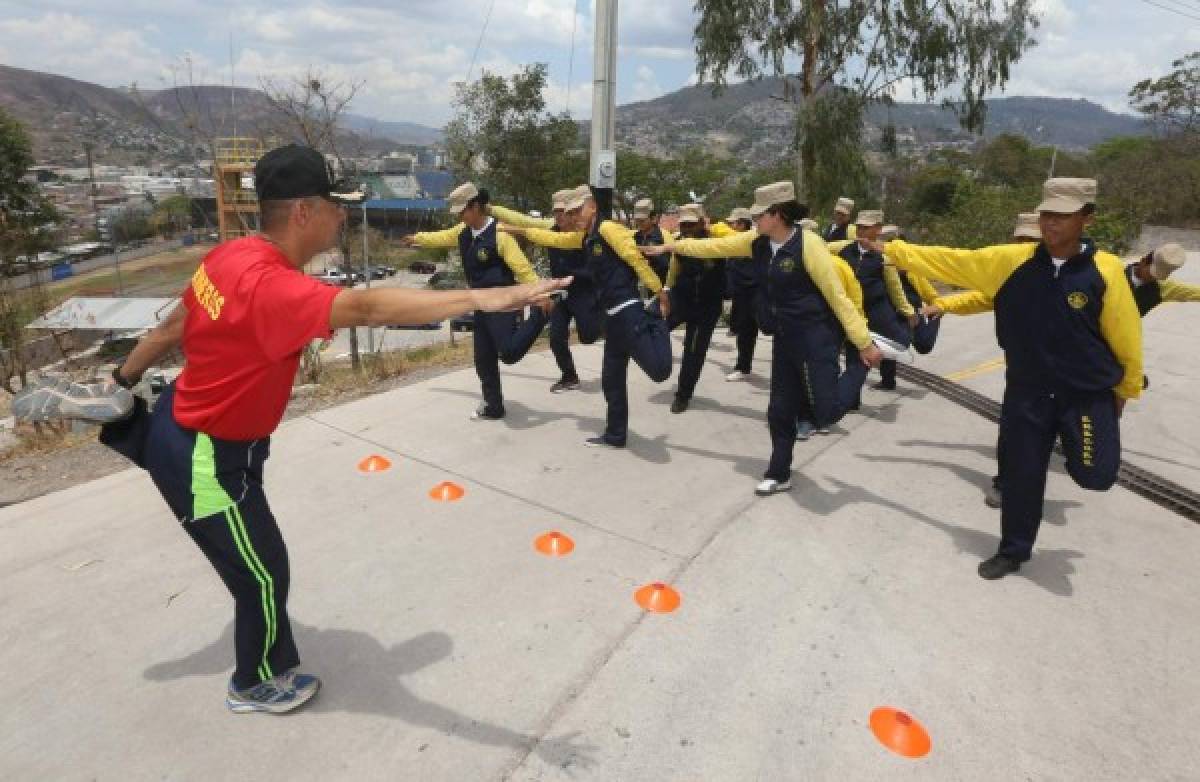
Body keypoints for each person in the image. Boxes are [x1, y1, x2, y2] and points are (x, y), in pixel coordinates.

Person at [13, 145, 567, 712]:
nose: (343, 216)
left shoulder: (230, 257)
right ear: (304, 211)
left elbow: (178, 321)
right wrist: (484, 295)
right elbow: (371, 309)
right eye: (336, 206)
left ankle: (122, 413)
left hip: (185, 421)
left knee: (257, 559)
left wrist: (122, 376)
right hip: (209, 460)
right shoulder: (274, 289)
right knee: (261, 573)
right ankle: (252, 683)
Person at [875, 178, 1143, 580]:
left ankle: (1074, 446)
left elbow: (1125, 334)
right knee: (1021, 476)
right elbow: (955, 261)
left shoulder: (1104, 270)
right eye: (1047, 215)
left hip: (1085, 393)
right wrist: (896, 250)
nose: (1052, 225)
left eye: (1063, 217)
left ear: (1087, 219)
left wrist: (1125, 389)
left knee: (1096, 475)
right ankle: (1014, 550)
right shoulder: (1012, 262)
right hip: (1027, 393)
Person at [644, 181, 891, 496]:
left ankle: (859, 366)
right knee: (779, 410)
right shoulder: (757, 242)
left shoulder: (809, 245)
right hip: (785, 339)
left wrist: (863, 343)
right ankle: (779, 472)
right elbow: (714, 247)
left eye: (760, 214)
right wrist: (670, 247)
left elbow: (838, 296)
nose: (755, 220)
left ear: (778, 214)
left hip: (816, 336)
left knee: (826, 412)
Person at [501, 185, 673, 448]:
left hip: (629, 311)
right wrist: (516, 231)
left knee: (659, 372)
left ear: (592, 205)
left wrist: (660, 292)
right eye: (570, 212)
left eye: (577, 210)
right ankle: (615, 435)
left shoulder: (608, 229)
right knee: (611, 381)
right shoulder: (586, 237)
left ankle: (657, 323)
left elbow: (635, 260)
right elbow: (554, 239)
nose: (574, 216)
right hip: (612, 319)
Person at [401, 183, 550, 420]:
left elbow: (523, 270)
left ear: (477, 206)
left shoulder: (501, 236)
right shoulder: (463, 232)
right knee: (483, 359)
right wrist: (418, 238)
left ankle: (542, 317)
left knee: (509, 353)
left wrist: (540, 296)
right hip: (479, 304)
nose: (460, 216)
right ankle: (493, 406)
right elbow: (442, 237)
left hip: (502, 302)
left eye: (463, 211)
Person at [488, 191, 605, 393]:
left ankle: (607, 323)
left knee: (588, 336)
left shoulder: (582, 235)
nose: (558, 216)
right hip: (560, 294)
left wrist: (572, 276)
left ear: (571, 213)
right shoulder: (550, 229)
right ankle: (569, 376)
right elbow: (522, 220)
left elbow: (594, 269)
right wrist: (491, 209)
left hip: (583, 292)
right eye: (555, 212)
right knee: (556, 338)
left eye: (562, 212)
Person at [832, 210, 916, 397]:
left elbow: (895, 288)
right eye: (859, 227)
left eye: (866, 227)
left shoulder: (884, 257)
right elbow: (818, 248)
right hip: (851, 310)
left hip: (876, 308)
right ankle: (852, 398)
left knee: (889, 343)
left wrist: (908, 311)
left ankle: (888, 379)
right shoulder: (843, 248)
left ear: (877, 230)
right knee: (853, 352)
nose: (860, 231)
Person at [661, 204, 727, 412]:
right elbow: (674, 269)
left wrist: (715, 229)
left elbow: (740, 239)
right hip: (682, 298)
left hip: (706, 307)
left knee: (693, 351)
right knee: (653, 327)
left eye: (691, 224)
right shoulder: (679, 243)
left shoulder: (718, 243)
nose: (686, 229)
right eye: (683, 225)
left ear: (701, 222)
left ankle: (683, 394)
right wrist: (666, 292)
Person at [722, 207, 760, 382]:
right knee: (745, 331)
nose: (732, 225)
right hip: (741, 293)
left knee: (751, 330)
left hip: (754, 293)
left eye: (734, 223)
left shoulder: (753, 241)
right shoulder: (735, 239)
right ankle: (743, 366)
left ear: (743, 223)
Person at [632, 199, 670, 286]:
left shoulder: (664, 235)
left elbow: (668, 264)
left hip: (661, 285)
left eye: (642, 220)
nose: (639, 223)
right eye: (637, 220)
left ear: (654, 218)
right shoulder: (635, 237)